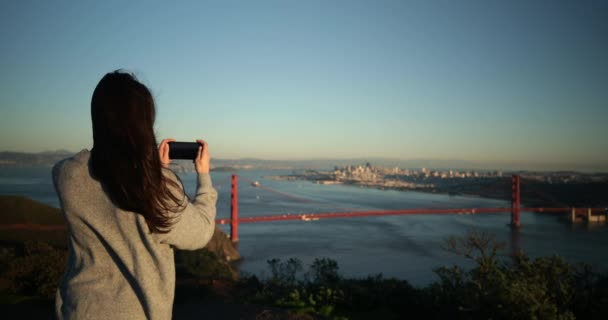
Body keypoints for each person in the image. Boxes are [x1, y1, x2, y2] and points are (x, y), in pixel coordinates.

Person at [52, 70, 217, 319]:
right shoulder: (157, 189)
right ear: (145, 123)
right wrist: (202, 176)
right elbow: (201, 232)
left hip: (78, 310)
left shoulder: (66, 175)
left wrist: (155, 171)